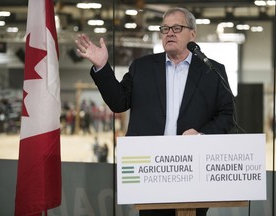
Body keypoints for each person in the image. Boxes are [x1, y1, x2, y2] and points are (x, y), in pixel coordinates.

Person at [75, 7, 234, 216]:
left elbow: (227, 115)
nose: (169, 33)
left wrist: (202, 136)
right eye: (165, 28)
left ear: (192, 34)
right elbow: (118, 103)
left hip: (192, 169)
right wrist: (103, 67)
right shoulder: (142, 67)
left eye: (177, 28)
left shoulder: (212, 70)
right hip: (151, 170)